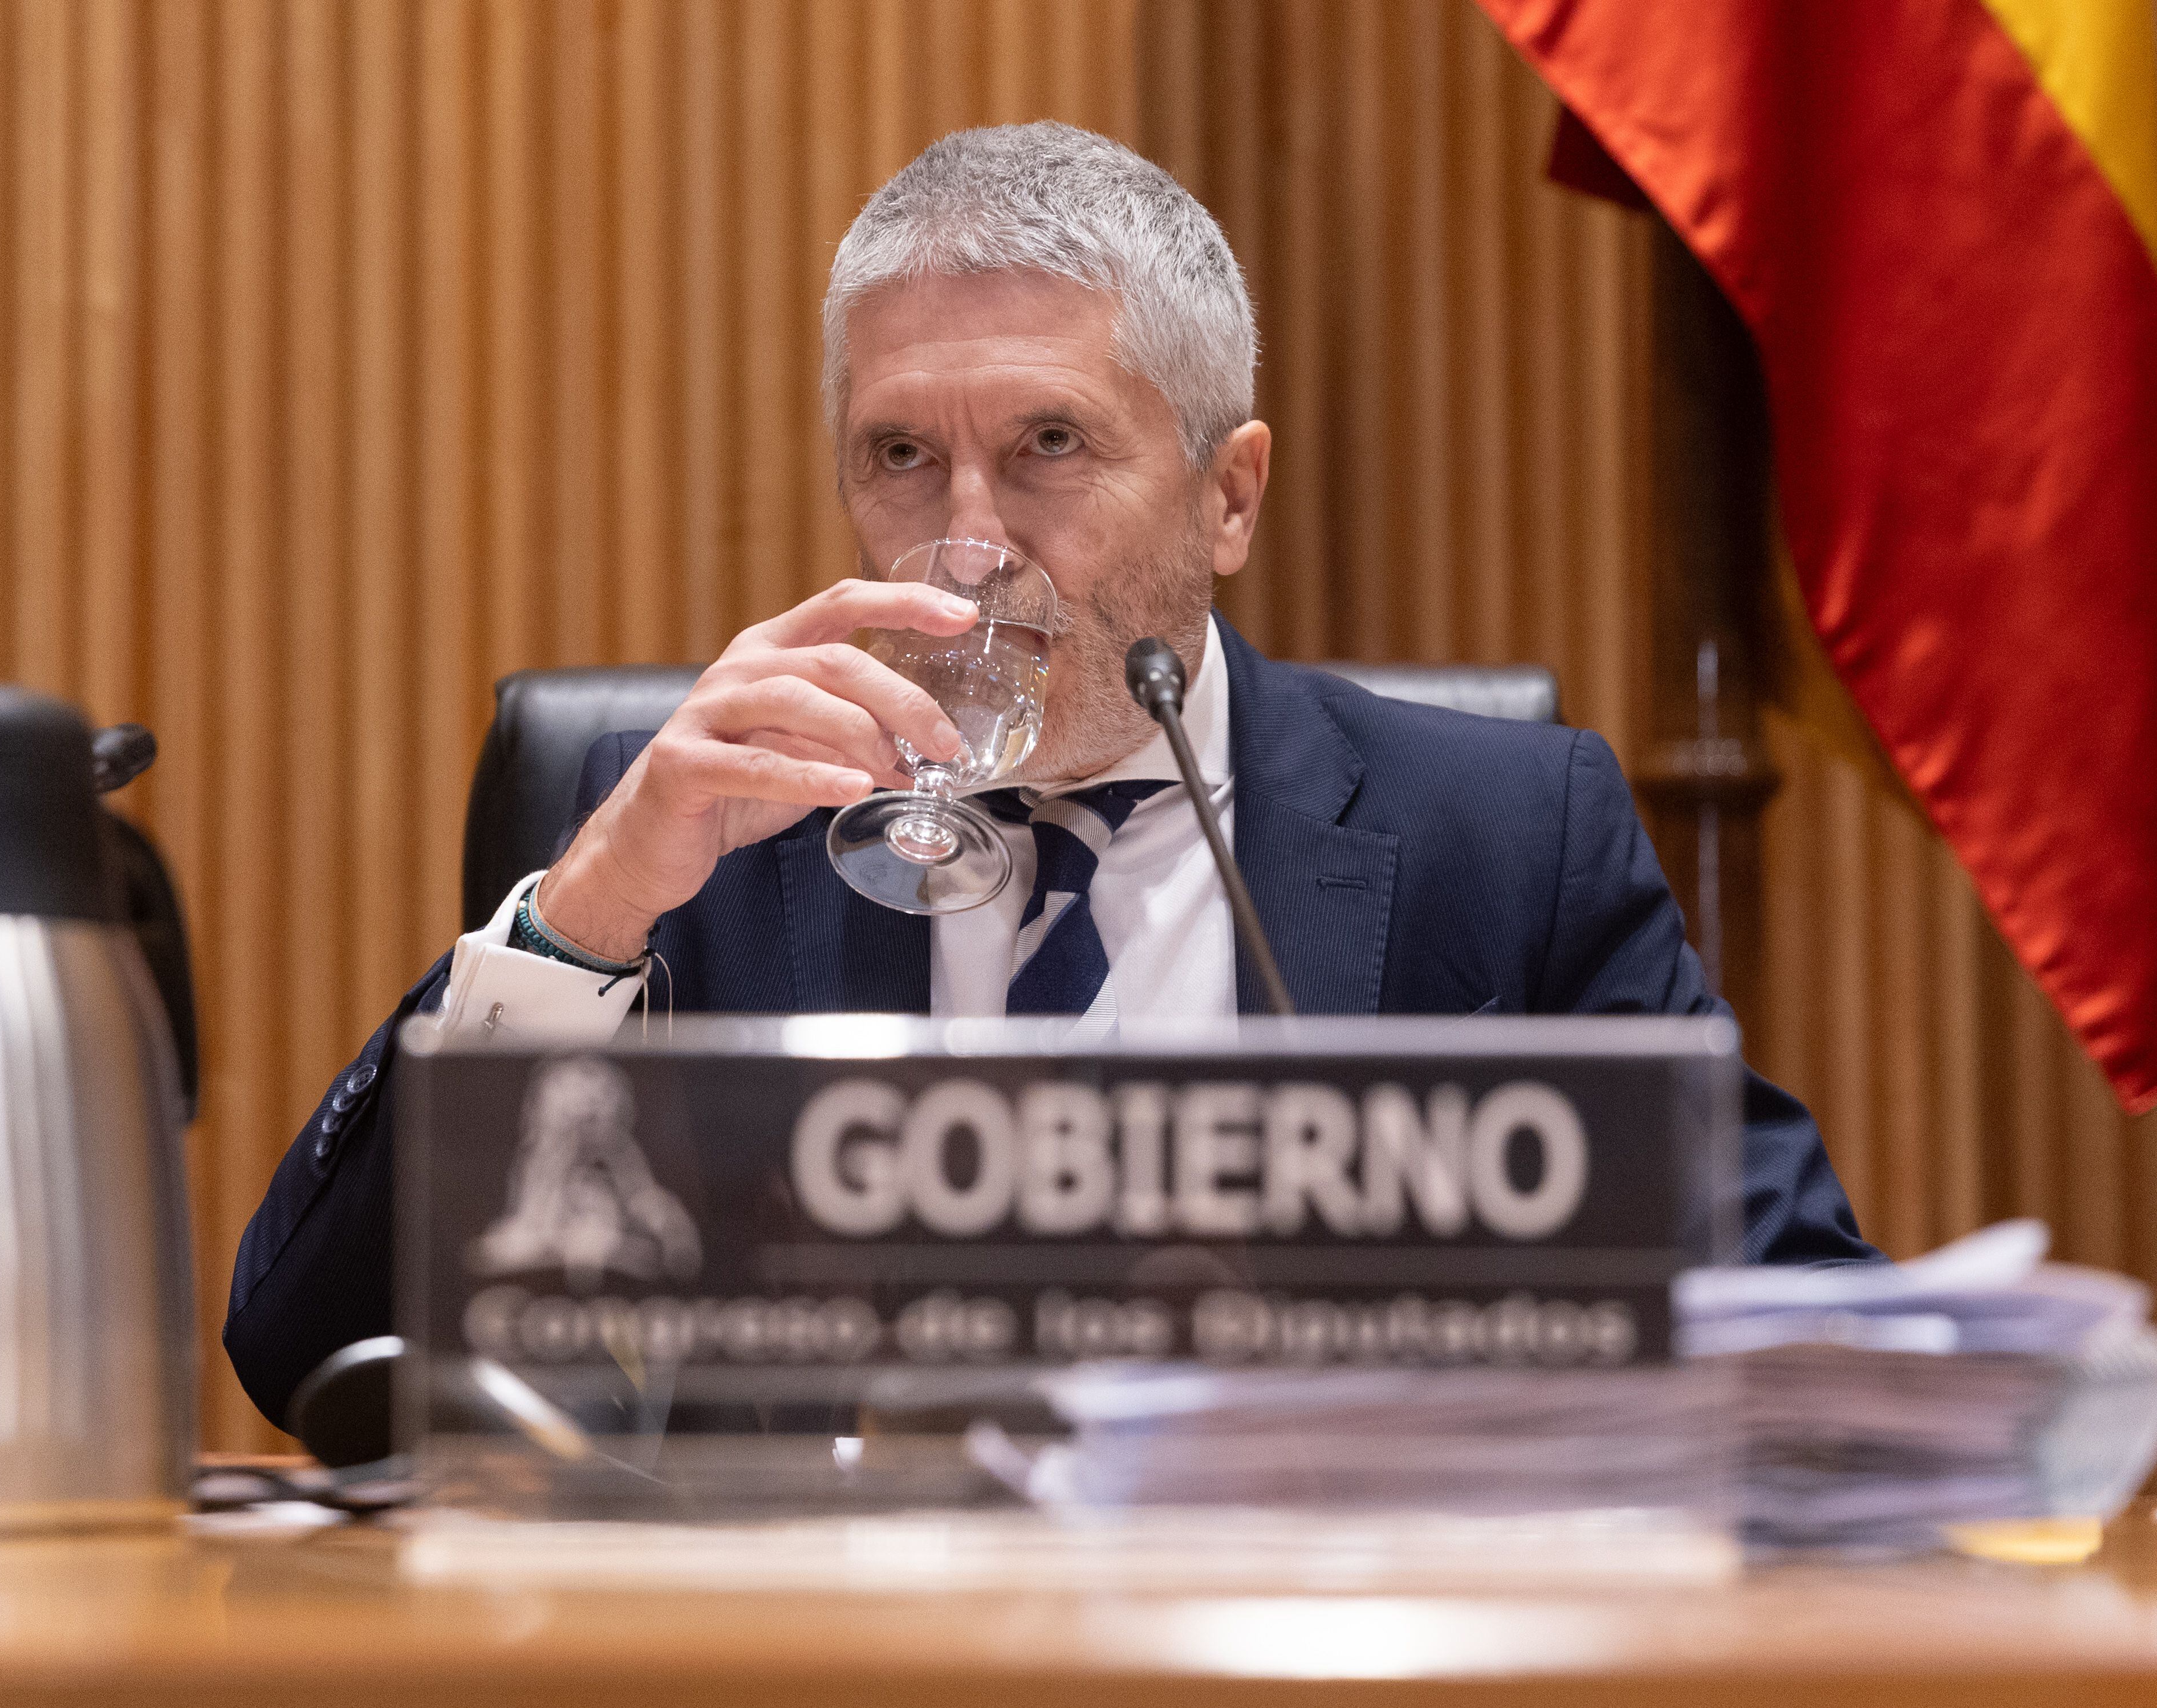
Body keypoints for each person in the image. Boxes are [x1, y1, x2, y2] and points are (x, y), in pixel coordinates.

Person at [225, 121, 1874, 1429]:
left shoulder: (1499, 843)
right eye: (899, 457)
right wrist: (588, 917)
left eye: (1050, 447)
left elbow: (1807, 1333)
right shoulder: (698, 848)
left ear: (1229, 497)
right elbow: (322, 1369)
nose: (967, 540)